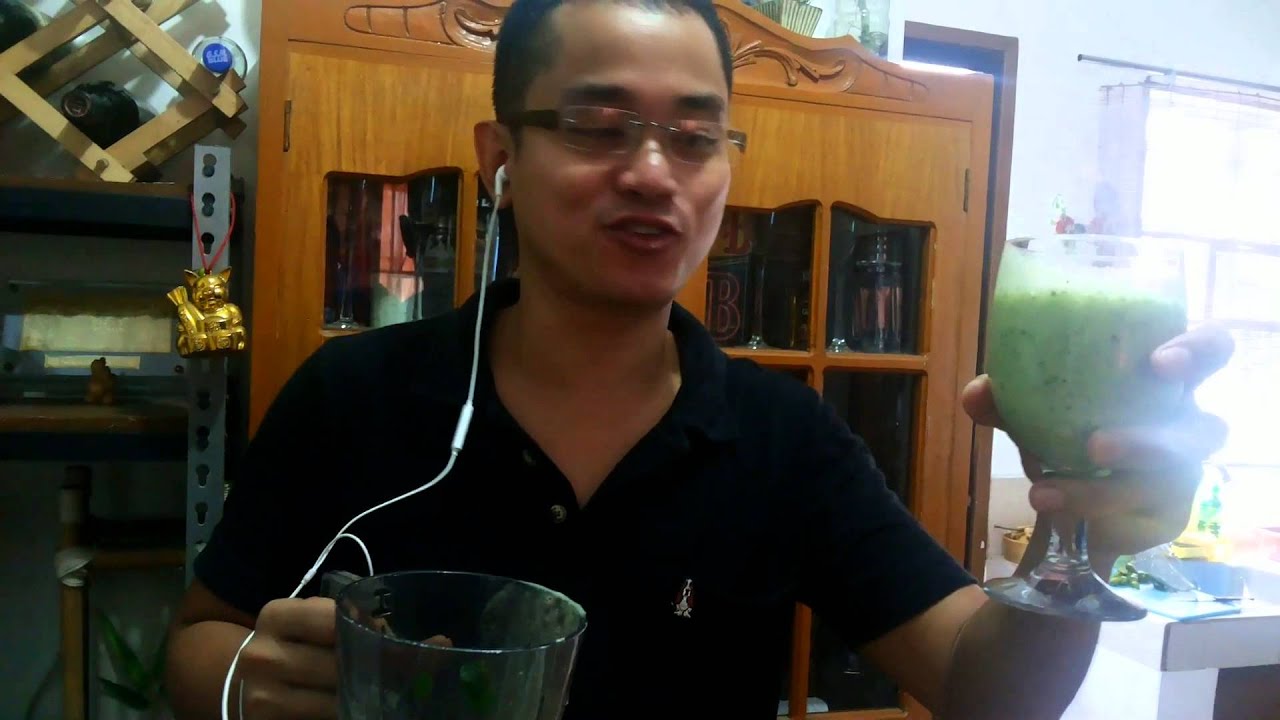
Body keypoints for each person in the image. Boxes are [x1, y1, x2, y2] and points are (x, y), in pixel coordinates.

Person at [165, 0, 1233, 717]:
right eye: (597, 125)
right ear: (501, 159)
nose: (651, 171)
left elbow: (982, 687)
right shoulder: (354, 397)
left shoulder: (785, 441)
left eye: (693, 136)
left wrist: (1078, 530)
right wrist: (250, 680)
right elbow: (202, 640)